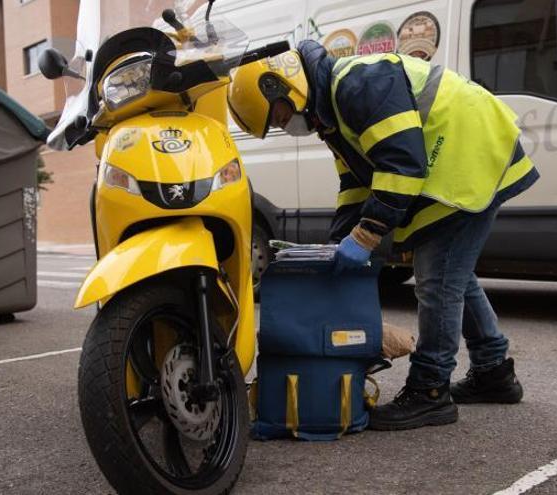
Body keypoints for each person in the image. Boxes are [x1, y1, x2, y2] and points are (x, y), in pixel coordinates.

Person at [227, 40, 539, 430]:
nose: (283, 125)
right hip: (462, 154)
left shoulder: (358, 86)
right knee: (450, 271)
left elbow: (402, 164)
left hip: (469, 153)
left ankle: (430, 391)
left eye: (278, 116)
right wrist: (337, 244)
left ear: (283, 86)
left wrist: (365, 238)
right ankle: (494, 371)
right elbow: (356, 184)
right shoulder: (331, 114)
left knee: (438, 279)